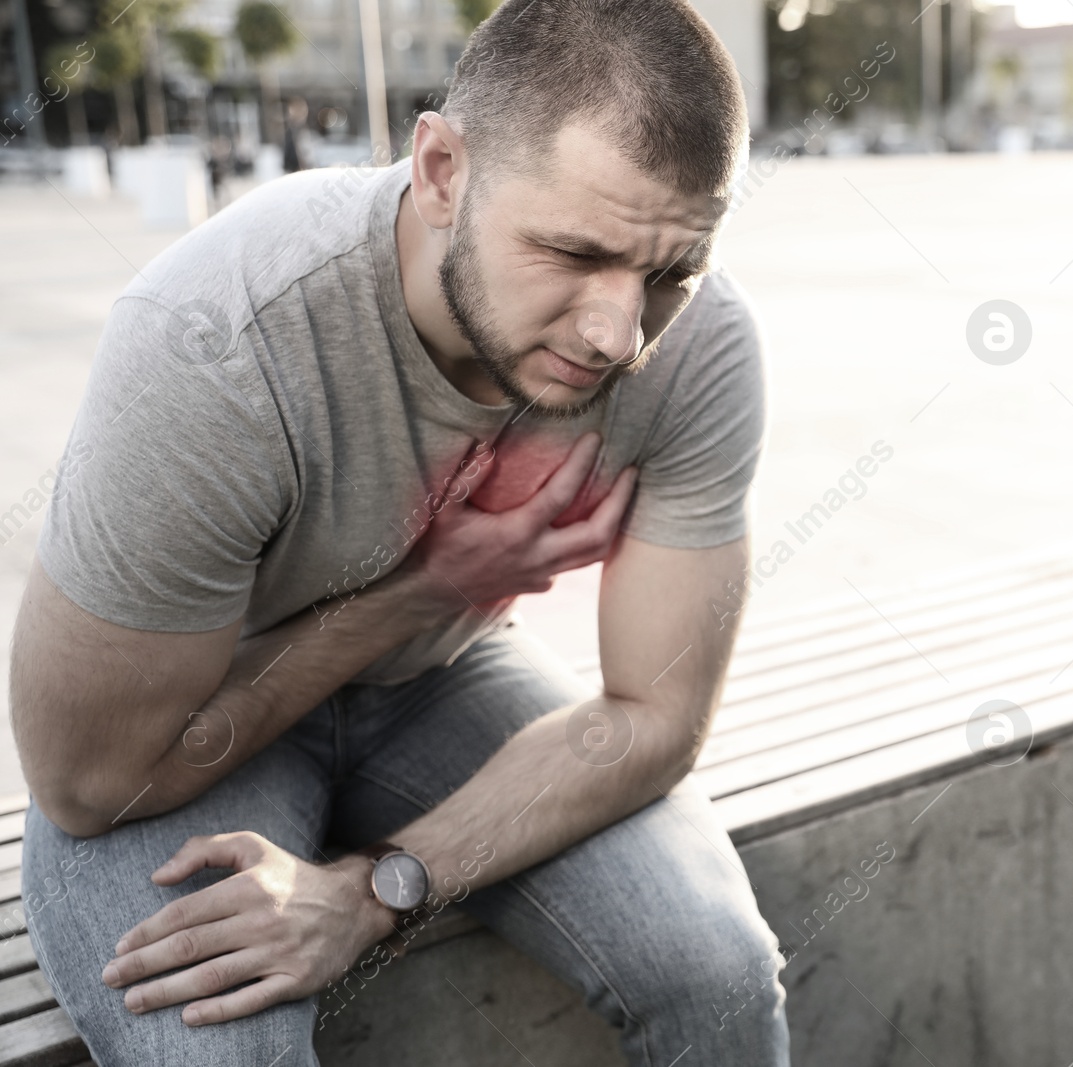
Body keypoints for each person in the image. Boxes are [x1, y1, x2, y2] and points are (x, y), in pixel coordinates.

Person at [11, 1, 786, 1064]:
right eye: (571, 250)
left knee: (718, 969)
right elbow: (89, 781)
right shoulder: (220, 341)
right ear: (440, 169)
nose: (617, 331)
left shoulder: (700, 345)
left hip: (442, 680)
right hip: (194, 714)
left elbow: (655, 713)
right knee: (219, 1051)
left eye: (666, 272)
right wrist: (420, 591)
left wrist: (378, 886)